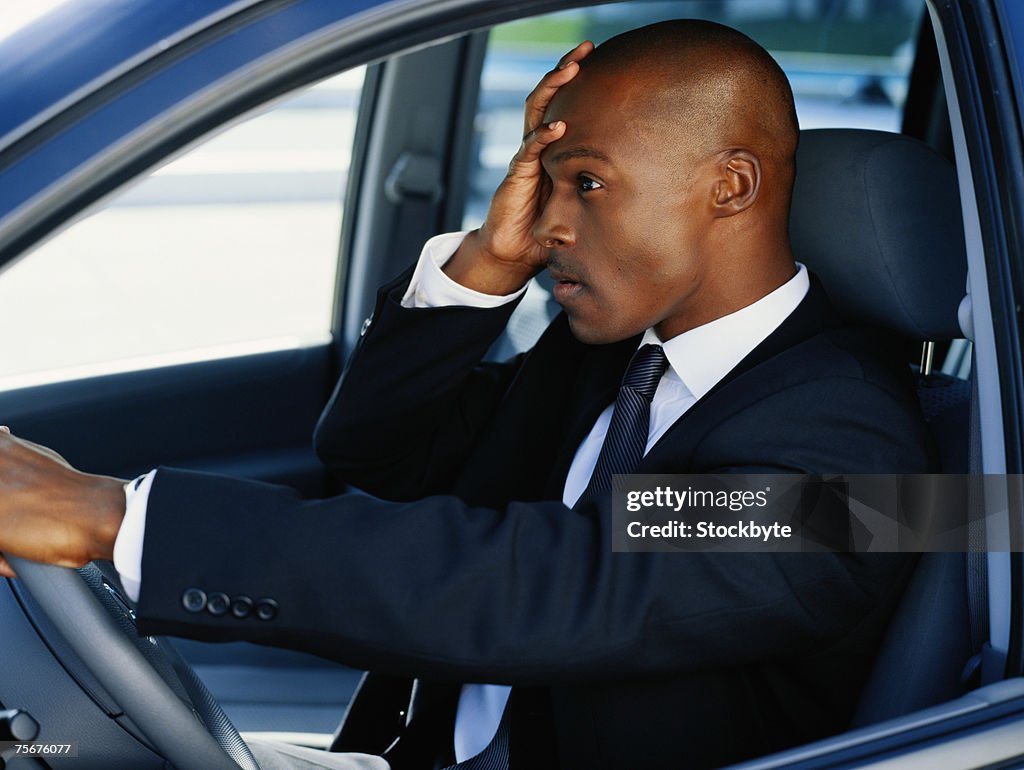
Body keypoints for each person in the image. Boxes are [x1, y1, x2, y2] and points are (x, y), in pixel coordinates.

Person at [0, 19, 933, 770]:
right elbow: (378, 451)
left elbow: (557, 580)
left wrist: (117, 519)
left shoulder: (853, 456)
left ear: (729, 187)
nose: (547, 222)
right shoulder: (615, 355)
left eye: (588, 184)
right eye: (544, 180)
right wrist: (485, 265)